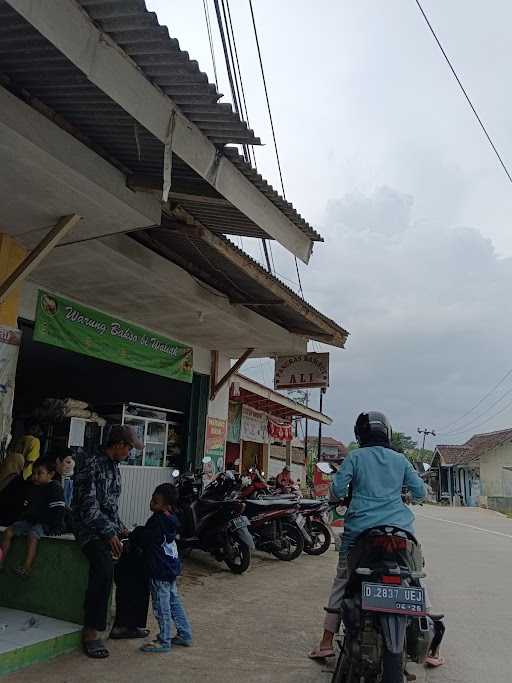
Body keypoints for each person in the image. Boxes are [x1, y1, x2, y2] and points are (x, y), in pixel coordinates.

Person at [309, 411, 428, 660]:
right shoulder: (400, 459)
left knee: (343, 578)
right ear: (387, 433)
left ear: (360, 434)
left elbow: (337, 489)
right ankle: (430, 644)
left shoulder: (355, 457)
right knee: (413, 577)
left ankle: (327, 641)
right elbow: (420, 493)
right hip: (400, 533)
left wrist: (335, 496)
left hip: (361, 533)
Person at [72, 424, 145, 660]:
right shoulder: (90, 465)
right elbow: (88, 508)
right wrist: (109, 533)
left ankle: (125, 623)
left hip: (107, 528)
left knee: (137, 557)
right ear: (119, 445)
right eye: (130, 448)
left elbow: (110, 507)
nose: (130, 453)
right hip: (87, 529)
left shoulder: (115, 468)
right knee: (103, 567)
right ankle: (91, 632)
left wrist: (121, 528)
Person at [132, 483, 192, 653]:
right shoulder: (171, 519)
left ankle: (164, 640)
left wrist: (135, 533)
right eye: (152, 499)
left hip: (159, 571)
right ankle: (185, 634)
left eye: (156, 502)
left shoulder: (157, 521)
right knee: (174, 602)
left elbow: (147, 539)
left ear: (166, 505)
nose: (152, 503)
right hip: (170, 569)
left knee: (161, 605)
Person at [0, 459, 65, 577]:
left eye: (39, 473)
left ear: (51, 474)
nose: (35, 476)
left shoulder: (55, 488)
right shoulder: (33, 487)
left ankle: (26, 567)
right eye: (34, 473)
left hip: (46, 523)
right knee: (8, 531)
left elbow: (58, 511)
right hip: (31, 520)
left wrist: (55, 526)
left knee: (33, 534)